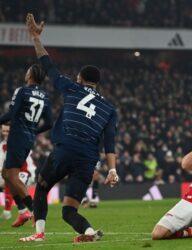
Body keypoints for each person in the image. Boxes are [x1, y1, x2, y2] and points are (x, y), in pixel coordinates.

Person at [20, 13, 119, 243]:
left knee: (42, 188)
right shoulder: (109, 108)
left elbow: (48, 65)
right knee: (69, 211)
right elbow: (110, 141)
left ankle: (39, 233)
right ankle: (89, 232)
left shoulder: (72, 88)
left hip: (67, 148)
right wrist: (112, 170)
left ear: (80, 78)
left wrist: (36, 38)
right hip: (88, 159)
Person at [0, 57, 52, 222]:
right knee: (6, 173)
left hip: (17, 137)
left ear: (30, 75)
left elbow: (11, 115)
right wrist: (33, 130)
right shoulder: (45, 96)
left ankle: (33, 211)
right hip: (28, 138)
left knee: (12, 176)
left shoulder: (22, 91)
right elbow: (49, 123)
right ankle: (22, 211)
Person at [0, 124, 37, 226]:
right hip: (14, 172)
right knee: (8, 178)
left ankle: (31, 211)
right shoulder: (3, 145)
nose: (5, 134)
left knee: (11, 179)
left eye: (8, 131)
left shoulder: (18, 141)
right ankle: (22, 212)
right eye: (4, 131)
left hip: (25, 171)